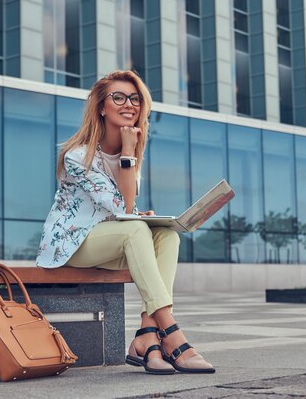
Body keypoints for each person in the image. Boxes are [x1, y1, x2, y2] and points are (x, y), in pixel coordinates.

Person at [36, 70, 214, 375]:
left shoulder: (128, 155)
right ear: (102, 107)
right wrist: (129, 154)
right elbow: (123, 206)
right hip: (71, 244)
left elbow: (126, 209)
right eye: (118, 97)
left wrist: (136, 205)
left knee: (168, 237)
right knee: (135, 228)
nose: (129, 103)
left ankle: (146, 334)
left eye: (135, 98)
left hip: (108, 239)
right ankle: (170, 332)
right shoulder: (78, 156)